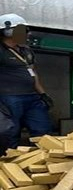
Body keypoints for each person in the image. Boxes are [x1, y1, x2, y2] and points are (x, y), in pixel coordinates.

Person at [0, 13, 53, 148]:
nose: (28, 33)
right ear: (8, 31)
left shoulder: (26, 50)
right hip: (9, 98)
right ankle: (9, 164)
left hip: (32, 97)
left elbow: (32, 72)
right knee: (10, 132)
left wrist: (43, 94)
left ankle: (42, 162)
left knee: (43, 131)